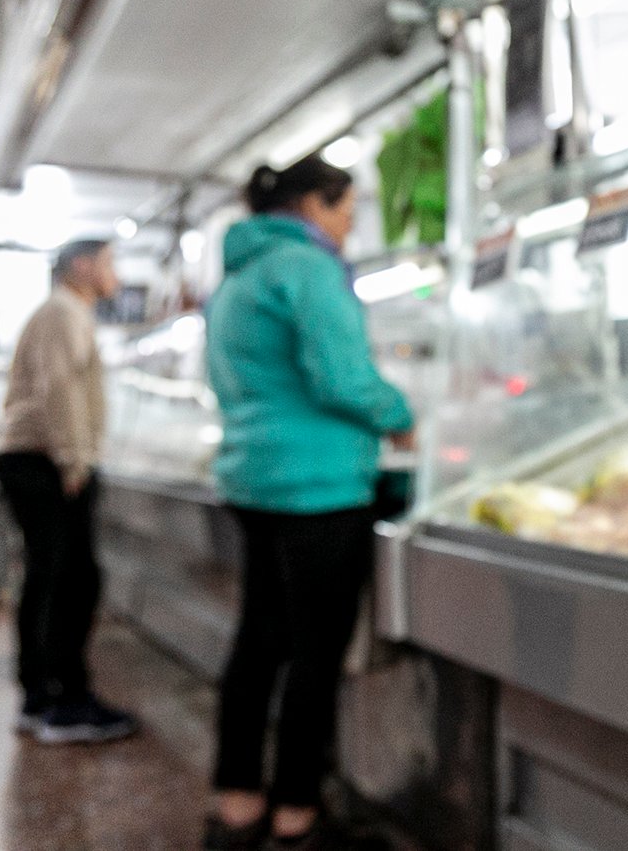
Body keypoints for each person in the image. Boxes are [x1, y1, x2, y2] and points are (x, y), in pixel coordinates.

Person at [203, 157, 414, 851]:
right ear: (315, 206)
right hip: (319, 486)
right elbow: (341, 377)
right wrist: (403, 415)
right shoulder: (311, 268)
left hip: (254, 481)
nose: (350, 225)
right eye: (347, 211)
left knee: (258, 641)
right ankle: (296, 812)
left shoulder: (238, 277)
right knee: (315, 652)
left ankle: (237, 801)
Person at [0, 238, 139, 744]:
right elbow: (59, 387)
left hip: (43, 459)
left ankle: (43, 695)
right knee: (68, 582)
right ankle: (61, 701)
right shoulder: (63, 312)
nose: (116, 273)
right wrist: (74, 459)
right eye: (109, 261)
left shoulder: (67, 312)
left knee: (53, 578)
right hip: (46, 462)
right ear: (81, 265)